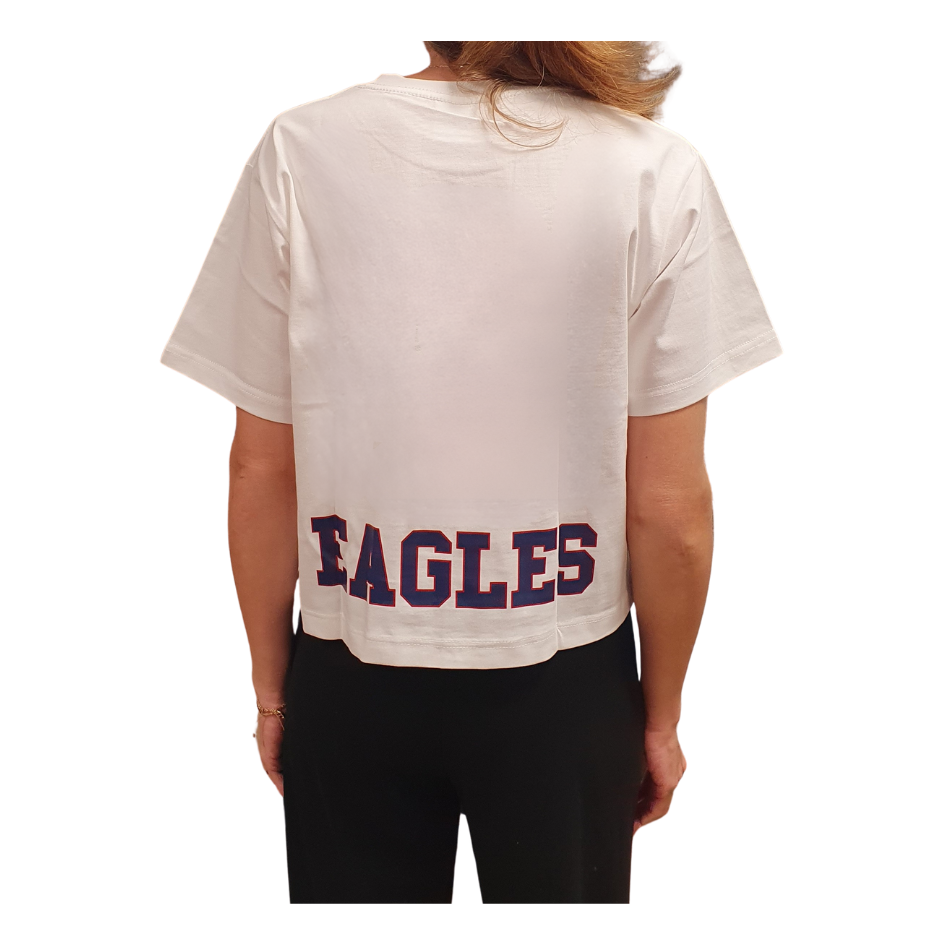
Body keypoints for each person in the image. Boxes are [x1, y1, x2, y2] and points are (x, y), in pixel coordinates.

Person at [160, 41, 783, 904]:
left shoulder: (302, 150)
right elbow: (669, 508)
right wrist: (660, 714)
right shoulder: (649, 169)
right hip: (564, 670)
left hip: (351, 659)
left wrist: (274, 692)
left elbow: (259, 467)